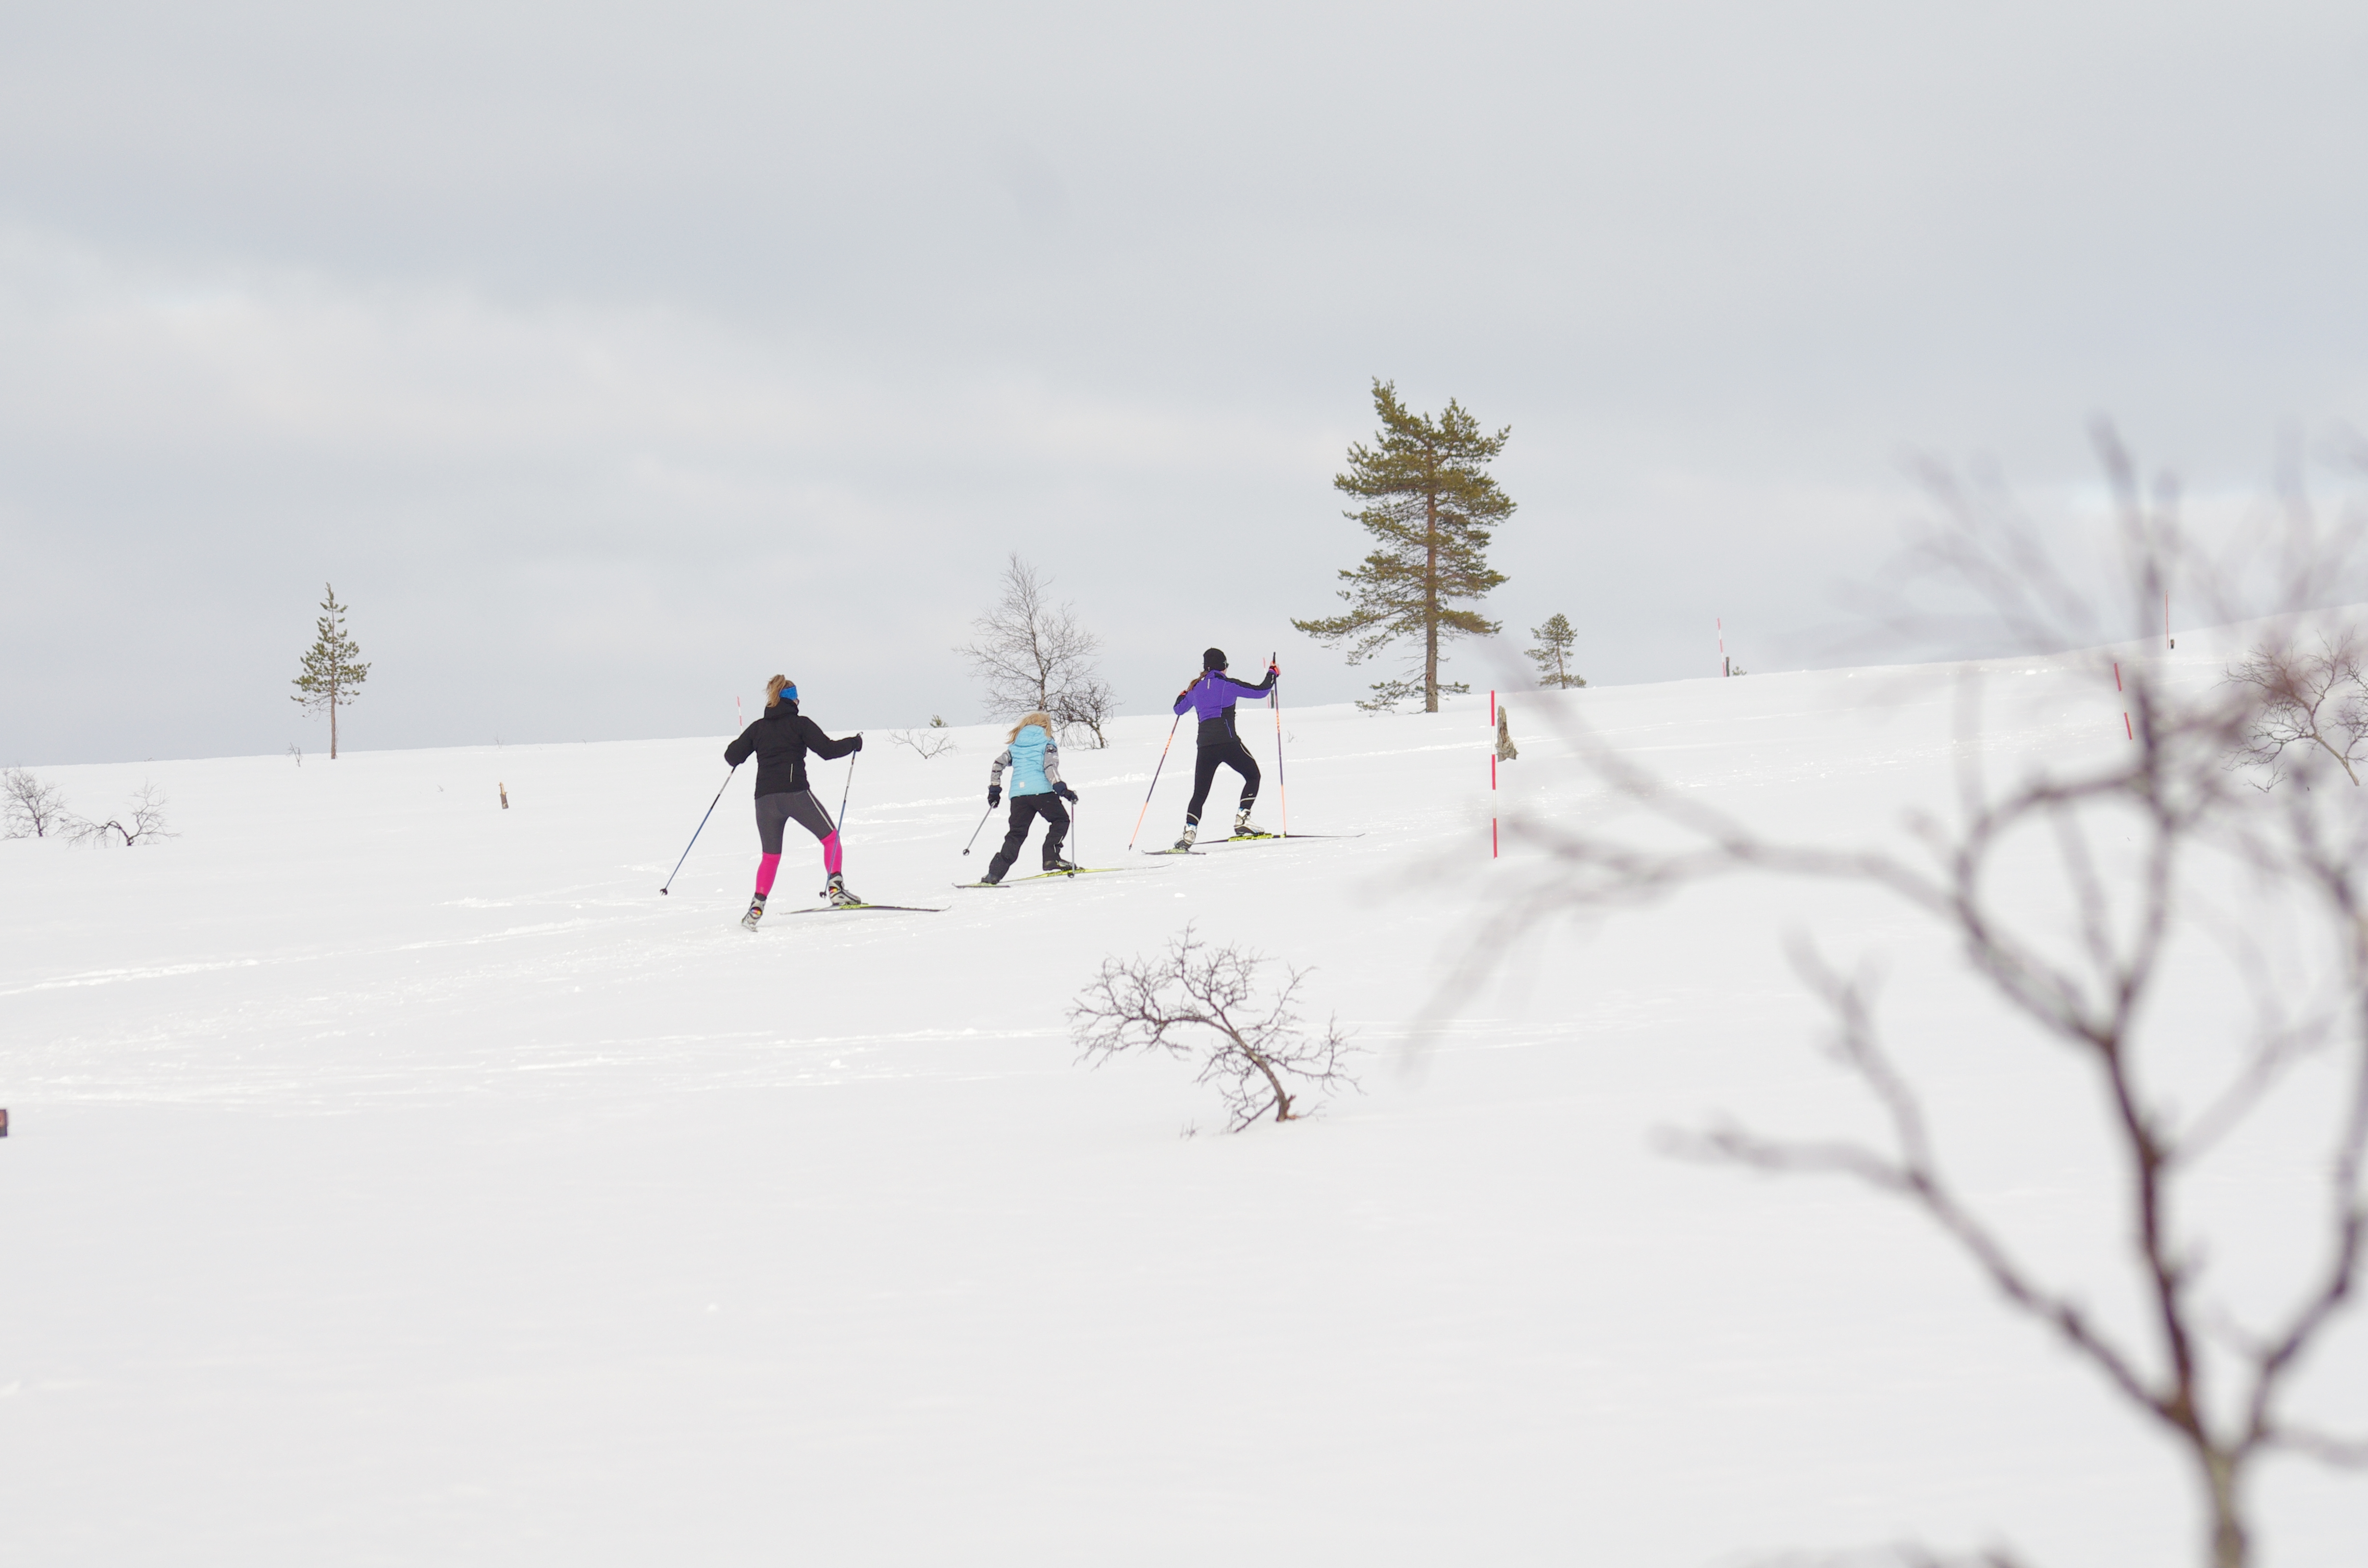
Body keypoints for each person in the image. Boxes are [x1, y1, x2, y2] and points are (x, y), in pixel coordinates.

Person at [724, 675, 864, 925]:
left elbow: (732, 756)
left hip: (765, 801)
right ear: (792, 700)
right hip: (795, 795)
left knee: (770, 856)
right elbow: (828, 751)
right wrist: (854, 743)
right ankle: (836, 889)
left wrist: (746, 747)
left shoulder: (758, 728)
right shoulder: (800, 724)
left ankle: (756, 908)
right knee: (831, 838)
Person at [1170, 648, 1277, 850]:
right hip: (1228, 743)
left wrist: (1183, 693)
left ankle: (1189, 833)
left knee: (1199, 793)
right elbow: (1261, 692)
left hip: (1205, 747)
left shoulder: (1195, 690)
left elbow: (1178, 709)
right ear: (1223, 667)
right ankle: (1242, 819)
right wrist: (1272, 674)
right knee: (1253, 776)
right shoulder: (1228, 685)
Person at [980, 711, 1079, 884]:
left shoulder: (1015, 746)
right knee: (1061, 820)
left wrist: (994, 790)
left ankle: (994, 874)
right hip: (1042, 792)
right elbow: (1050, 767)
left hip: (1019, 796)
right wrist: (1062, 789)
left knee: (1016, 834)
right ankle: (1051, 857)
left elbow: (998, 764)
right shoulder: (1047, 743)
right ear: (1046, 726)